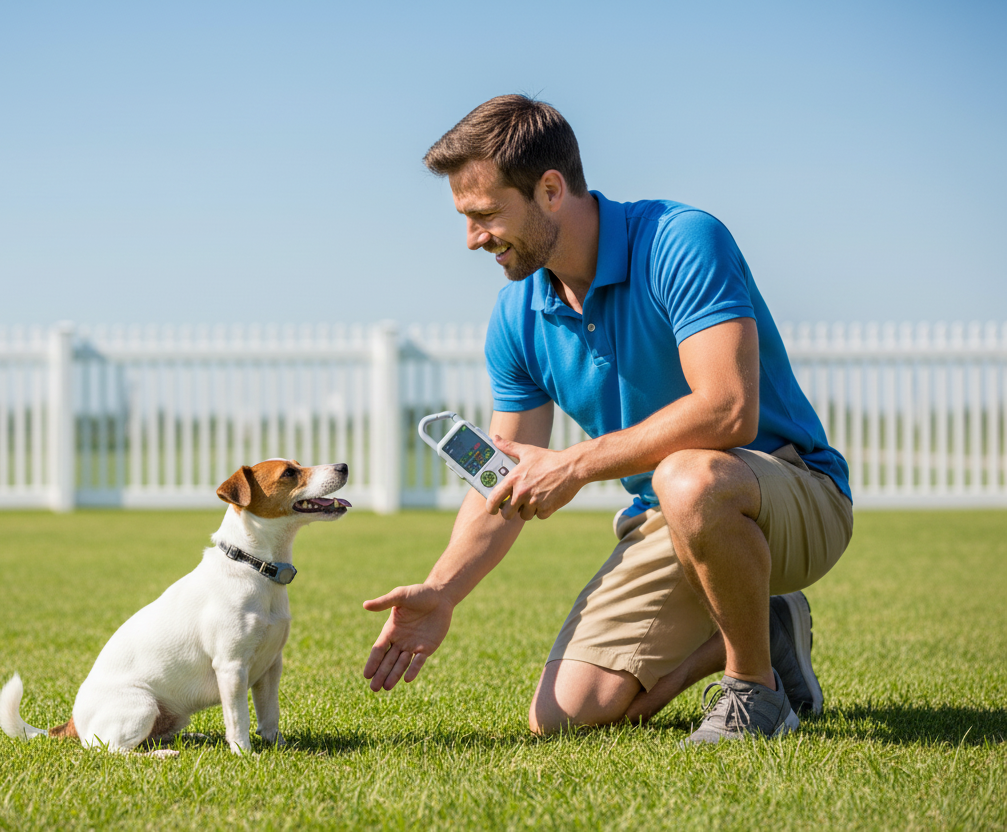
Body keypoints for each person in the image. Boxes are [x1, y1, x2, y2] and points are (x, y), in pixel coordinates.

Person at [362, 95, 853, 745]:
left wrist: (576, 464)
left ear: (550, 189)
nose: (474, 239)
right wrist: (442, 590)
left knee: (690, 479)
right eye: (465, 218)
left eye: (485, 216)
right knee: (563, 716)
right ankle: (768, 623)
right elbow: (503, 481)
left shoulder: (681, 241)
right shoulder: (518, 315)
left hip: (790, 491)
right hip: (667, 516)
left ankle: (754, 692)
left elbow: (729, 408)